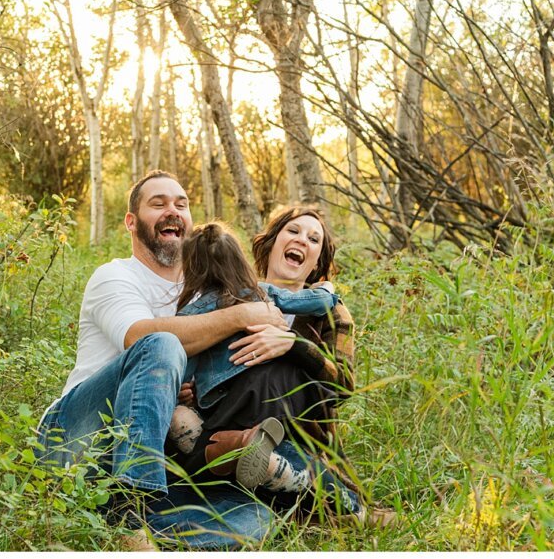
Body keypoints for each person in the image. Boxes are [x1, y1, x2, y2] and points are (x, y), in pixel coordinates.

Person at [36, 171, 288, 548]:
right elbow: (142, 337)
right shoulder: (114, 276)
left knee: (255, 518)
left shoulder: (205, 292)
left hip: (146, 460)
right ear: (131, 222)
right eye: (158, 204)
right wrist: (242, 316)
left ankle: (120, 520)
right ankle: (128, 516)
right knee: (162, 344)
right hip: (75, 441)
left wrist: (283, 334)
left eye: (181, 204)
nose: (173, 211)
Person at [165, 216, 364, 518]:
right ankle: (249, 457)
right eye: (293, 231)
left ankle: (227, 453)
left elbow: (343, 385)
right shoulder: (237, 297)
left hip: (294, 427)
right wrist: (188, 389)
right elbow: (192, 356)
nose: (301, 240)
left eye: (313, 239)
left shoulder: (331, 311)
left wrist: (293, 346)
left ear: (316, 263)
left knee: (271, 374)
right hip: (220, 412)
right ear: (270, 244)